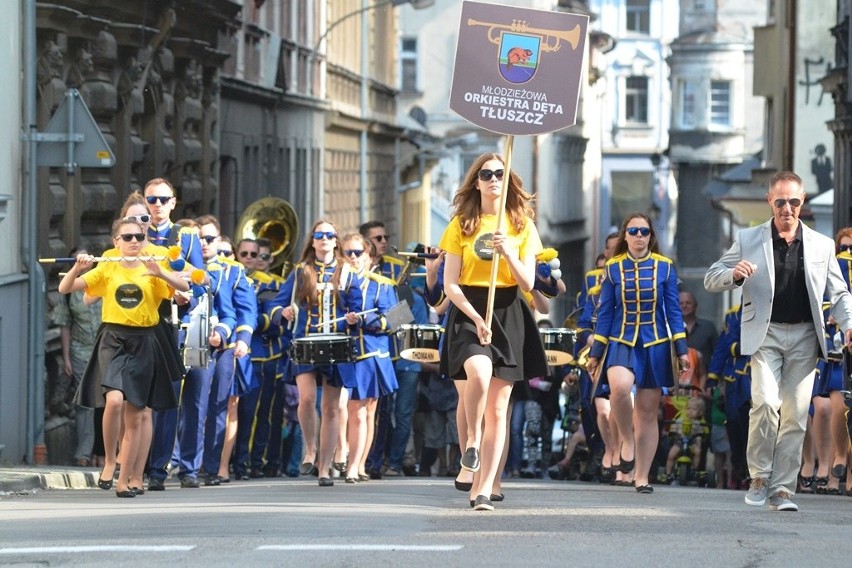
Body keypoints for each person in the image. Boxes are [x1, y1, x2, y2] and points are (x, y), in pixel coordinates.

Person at [704, 170, 852, 512]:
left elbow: (839, 293)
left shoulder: (821, 244)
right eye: (781, 201)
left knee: (797, 414)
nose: (788, 208)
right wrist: (734, 275)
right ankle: (759, 476)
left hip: (804, 335)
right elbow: (713, 278)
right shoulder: (749, 239)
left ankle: (783, 489)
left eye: (794, 201)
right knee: (765, 403)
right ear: (770, 201)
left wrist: (848, 324)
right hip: (765, 333)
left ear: (803, 203)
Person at [438, 153, 548, 511]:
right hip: (470, 308)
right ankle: (471, 439)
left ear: (508, 179)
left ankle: (483, 489)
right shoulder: (461, 223)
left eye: (500, 173)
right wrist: (474, 316)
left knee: (499, 410)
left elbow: (529, 282)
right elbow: (450, 283)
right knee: (478, 373)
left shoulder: (522, 225)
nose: (493, 179)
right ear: (476, 181)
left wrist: (509, 252)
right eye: (486, 174)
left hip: (509, 309)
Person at [59, 218, 189, 497]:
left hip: (144, 341)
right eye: (127, 237)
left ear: (145, 240)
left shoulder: (154, 263)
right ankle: (109, 461)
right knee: (114, 400)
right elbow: (66, 288)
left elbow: (184, 287)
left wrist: (161, 273)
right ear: (115, 241)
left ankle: (124, 480)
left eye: (138, 237)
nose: (133, 242)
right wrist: (77, 268)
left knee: (136, 414)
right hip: (113, 339)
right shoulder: (107, 265)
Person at [587, 213, 690, 495]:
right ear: (625, 235)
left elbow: (673, 311)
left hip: (655, 343)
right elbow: (605, 312)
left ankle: (642, 476)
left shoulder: (665, 268)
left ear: (651, 235)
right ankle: (627, 441)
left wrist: (681, 350)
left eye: (644, 231)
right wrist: (596, 352)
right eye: (633, 231)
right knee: (619, 389)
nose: (639, 236)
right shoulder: (613, 268)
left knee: (647, 413)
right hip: (621, 339)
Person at [267, 220, 364, 487]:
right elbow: (275, 304)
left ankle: (324, 467)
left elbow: (356, 306)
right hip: (306, 342)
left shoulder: (347, 272)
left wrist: (354, 317)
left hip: (336, 344)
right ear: (312, 241)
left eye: (329, 235)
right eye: (319, 235)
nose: (324, 239)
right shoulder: (300, 272)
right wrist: (282, 313)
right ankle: (310, 449)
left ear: (336, 241)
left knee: (331, 408)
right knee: (307, 399)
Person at [339, 233, 398, 483]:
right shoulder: (338, 281)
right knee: (352, 409)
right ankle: (350, 461)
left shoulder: (384, 283)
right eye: (348, 253)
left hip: (374, 353)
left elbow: (398, 319)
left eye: (358, 253)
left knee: (367, 410)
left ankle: (359, 464)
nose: (353, 258)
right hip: (345, 352)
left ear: (369, 256)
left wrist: (366, 320)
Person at [53, 247, 103, 468]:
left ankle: (106, 452)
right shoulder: (69, 290)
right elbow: (65, 325)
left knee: (111, 401)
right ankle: (84, 452)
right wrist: (66, 358)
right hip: (81, 350)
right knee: (86, 402)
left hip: (107, 348)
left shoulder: (104, 281)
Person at [664, 397, 708, 483]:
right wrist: (672, 432)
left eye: (694, 409)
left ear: (699, 412)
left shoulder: (699, 423)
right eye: (688, 409)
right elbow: (673, 428)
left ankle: (694, 470)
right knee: (671, 454)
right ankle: (668, 473)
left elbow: (701, 433)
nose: (690, 411)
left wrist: (699, 439)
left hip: (692, 442)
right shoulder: (680, 420)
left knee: (698, 452)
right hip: (679, 441)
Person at [679, 290, 717, 366]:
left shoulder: (708, 327)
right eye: (681, 303)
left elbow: (718, 353)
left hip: (705, 375)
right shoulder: (669, 329)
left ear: (695, 306)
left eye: (688, 303)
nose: (684, 306)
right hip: (678, 376)